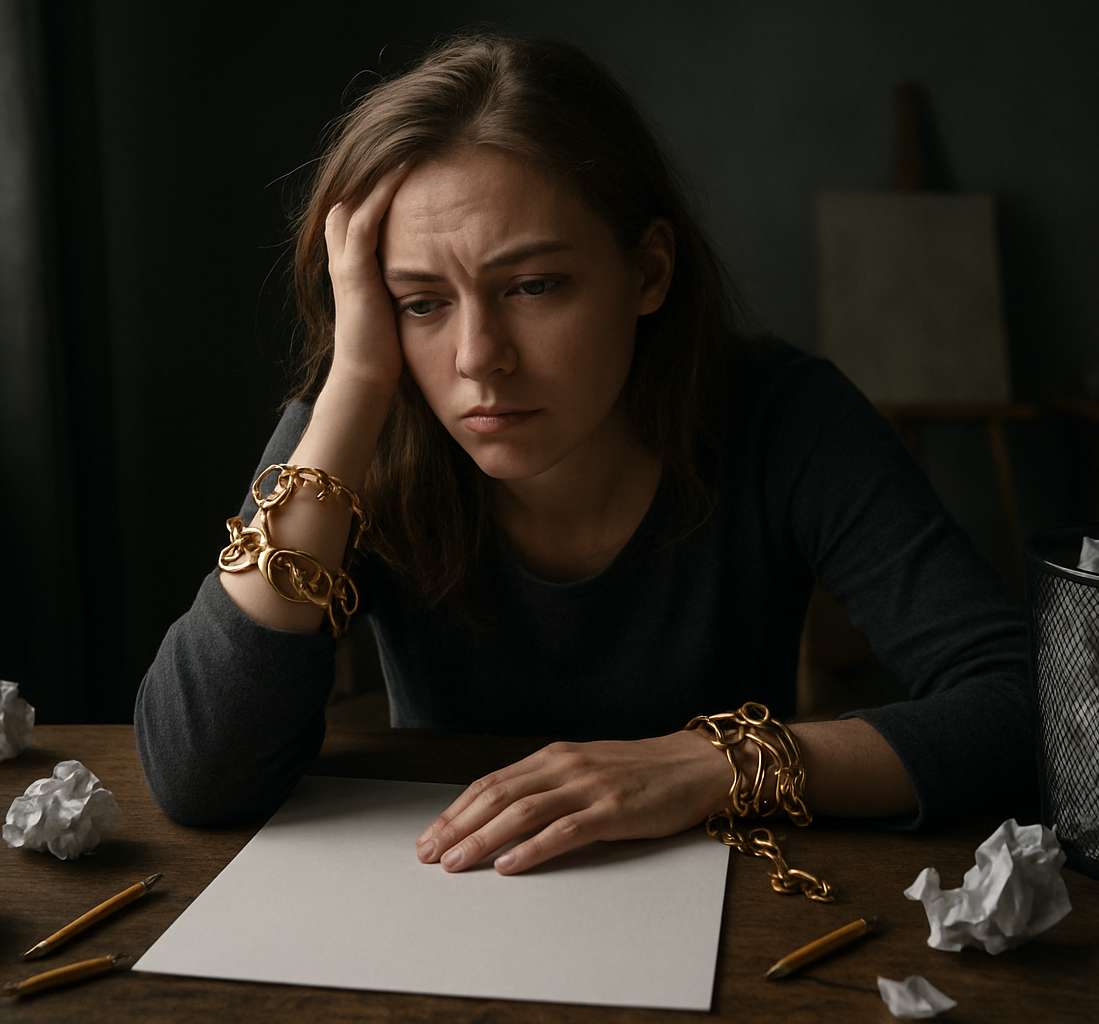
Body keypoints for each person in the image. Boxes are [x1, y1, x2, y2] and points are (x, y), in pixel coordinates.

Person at [134, 32, 1034, 881]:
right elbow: (199, 772)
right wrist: (359, 379)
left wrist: (712, 764)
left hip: (724, 907)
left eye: (533, 286)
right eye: (420, 302)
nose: (478, 356)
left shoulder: (785, 417)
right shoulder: (364, 422)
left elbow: (1022, 706)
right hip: (450, 902)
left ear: (648, 272)